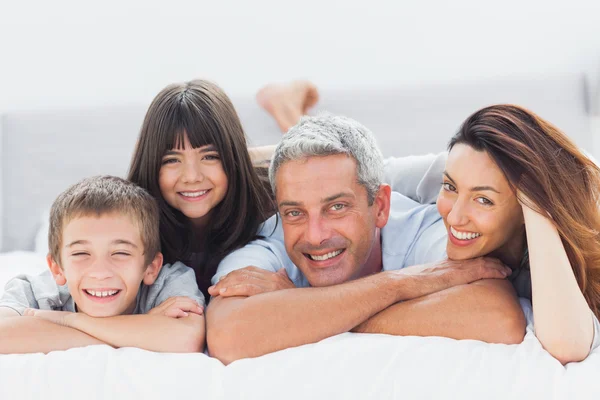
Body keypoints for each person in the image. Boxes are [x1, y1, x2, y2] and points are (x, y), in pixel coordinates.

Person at [206, 114, 527, 365]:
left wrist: (310, 313)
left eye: (337, 207)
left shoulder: (427, 229)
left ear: (381, 206)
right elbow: (228, 335)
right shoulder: (269, 240)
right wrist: (399, 285)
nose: (315, 235)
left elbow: (499, 317)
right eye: (295, 213)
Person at [0, 176, 205, 354]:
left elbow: (187, 338)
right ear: (57, 268)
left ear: (151, 267)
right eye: (81, 253)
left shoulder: (170, 281)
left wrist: (71, 320)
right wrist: (139, 333)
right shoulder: (38, 291)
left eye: (120, 253)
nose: (100, 273)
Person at [128, 80, 275, 299]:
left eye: (210, 156)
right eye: (171, 159)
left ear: (231, 156)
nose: (192, 177)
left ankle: (285, 108)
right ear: (152, 163)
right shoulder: (129, 221)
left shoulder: (270, 201)